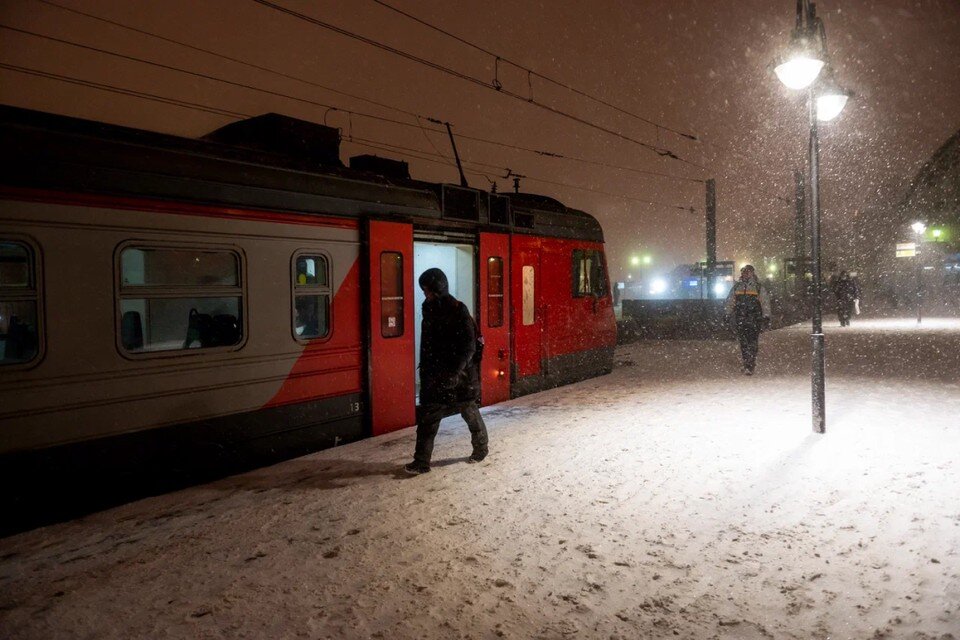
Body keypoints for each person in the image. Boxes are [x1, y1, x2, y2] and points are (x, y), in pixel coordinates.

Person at [405, 268, 489, 475]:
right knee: (427, 419)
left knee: (469, 412)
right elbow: (429, 345)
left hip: (459, 378)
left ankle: (481, 449)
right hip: (435, 375)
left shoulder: (458, 310)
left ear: (439, 289)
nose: (426, 295)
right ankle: (421, 462)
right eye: (424, 291)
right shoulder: (428, 308)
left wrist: (454, 371)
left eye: (428, 290)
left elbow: (469, 346)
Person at [725, 265, 772, 375]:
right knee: (743, 342)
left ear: (752, 273)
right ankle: (747, 363)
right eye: (743, 271)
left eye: (747, 272)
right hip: (741, 319)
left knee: (752, 342)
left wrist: (766, 316)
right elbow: (730, 301)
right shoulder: (737, 287)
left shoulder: (758, 287)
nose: (745, 273)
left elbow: (765, 303)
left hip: (754, 319)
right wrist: (727, 314)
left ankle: (750, 364)